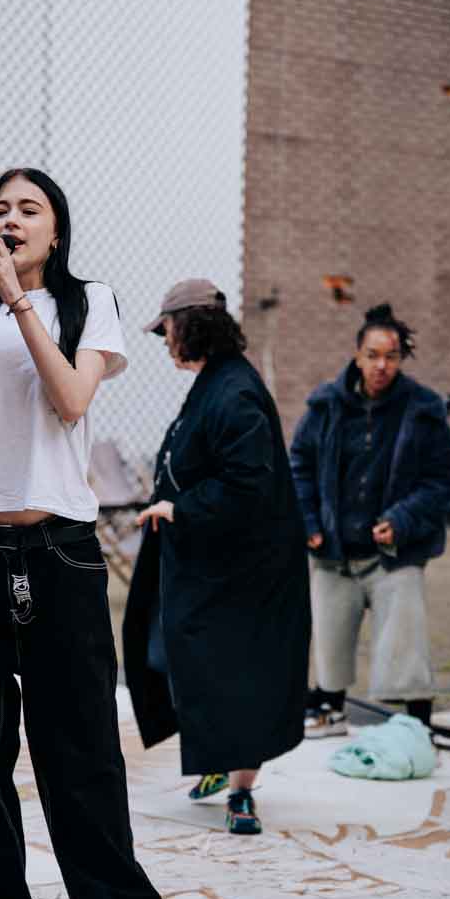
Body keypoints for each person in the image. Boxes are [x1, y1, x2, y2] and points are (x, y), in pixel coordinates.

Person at [0, 167, 188, 899]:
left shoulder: (87, 302)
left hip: (61, 551)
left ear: (56, 231)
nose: (11, 219)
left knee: (81, 749)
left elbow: (71, 399)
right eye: (0, 209)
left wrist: (19, 299)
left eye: (28, 209)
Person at [123, 280, 311, 835]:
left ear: (190, 326)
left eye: (167, 330)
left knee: (241, 677)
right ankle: (216, 757)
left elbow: (249, 483)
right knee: (176, 659)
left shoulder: (235, 392)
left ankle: (241, 791)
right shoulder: (215, 381)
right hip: (210, 563)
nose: (164, 341)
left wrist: (179, 508)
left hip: (248, 573)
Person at [290, 303, 450, 736]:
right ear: (357, 354)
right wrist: (309, 522)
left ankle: (417, 722)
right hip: (333, 550)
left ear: (401, 359)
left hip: (395, 553)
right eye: (373, 355)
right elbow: (300, 465)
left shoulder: (423, 409)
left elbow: (441, 481)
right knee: (329, 638)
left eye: (391, 356)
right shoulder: (325, 405)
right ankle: (329, 707)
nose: (382, 365)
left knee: (406, 640)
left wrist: (402, 520)